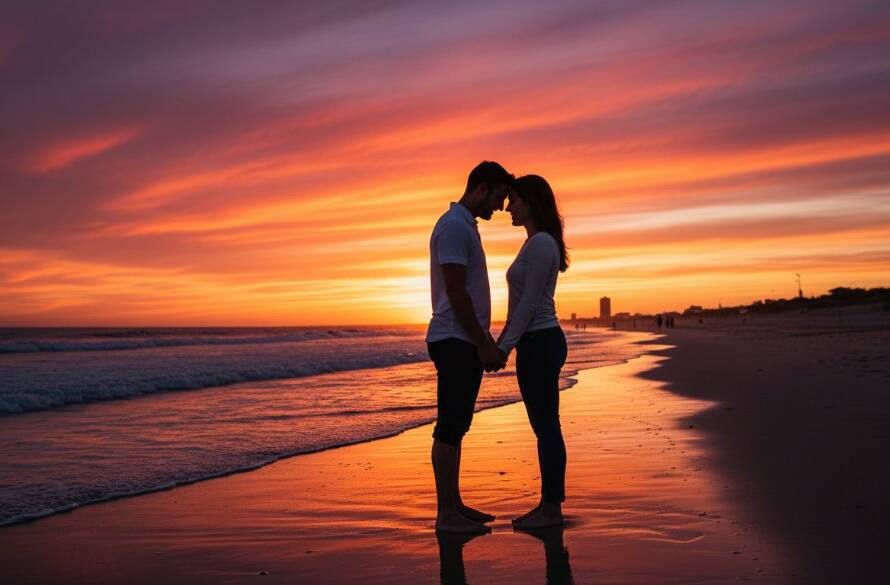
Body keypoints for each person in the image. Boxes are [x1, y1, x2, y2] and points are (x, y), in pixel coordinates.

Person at [427, 161, 514, 534]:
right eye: (498, 196)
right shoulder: (453, 226)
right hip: (454, 339)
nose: (500, 206)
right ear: (481, 188)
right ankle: (446, 514)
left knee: (458, 425)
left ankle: (455, 505)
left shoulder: (465, 225)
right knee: (449, 426)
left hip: (462, 339)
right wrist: (483, 342)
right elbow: (456, 291)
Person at [496, 174, 570, 529]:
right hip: (535, 341)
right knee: (544, 426)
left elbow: (528, 304)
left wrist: (503, 347)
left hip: (540, 341)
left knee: (547, 427)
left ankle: (552, 509)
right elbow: (520, 305)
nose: (508, 207)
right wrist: (504, 340)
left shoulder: (541, 243)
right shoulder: (534, 243)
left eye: (514, 200)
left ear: (530, 202)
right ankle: (547, 505)